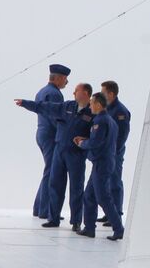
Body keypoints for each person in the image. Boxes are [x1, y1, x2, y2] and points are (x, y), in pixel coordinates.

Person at [16, 82, 95, 231]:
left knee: (76, 188)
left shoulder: (92, 112)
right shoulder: (67, 107)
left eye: (76, 91)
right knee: (55, 185)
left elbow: (96, 134)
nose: (73, 93)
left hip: (76, 154)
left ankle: (76, 221)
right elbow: (45, 107)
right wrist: (26, 104)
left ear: (85, 93)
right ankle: (53, 218)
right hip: (60, 151)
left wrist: (86, 146)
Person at [22, 64, 69, 219]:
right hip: (51, 135)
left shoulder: (43, 91)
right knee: (52, 172)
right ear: (60, 78)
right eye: (65, 79)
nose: (66, 82)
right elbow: (55, 117)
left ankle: (39, 208)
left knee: (49, 171)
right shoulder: (54, 94)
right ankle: (46, 210)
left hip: (42, 133)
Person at [75, 92, 123, 240]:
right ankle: (89, 228)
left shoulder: (100, 121)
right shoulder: (108, 120)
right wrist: (87, 139)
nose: (89, 105)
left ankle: (118, 228)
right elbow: (102, 139)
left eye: (91, 103)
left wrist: (82, 143)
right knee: (89, 196)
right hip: (102, 162)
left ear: (98, 104)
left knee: (103, 198)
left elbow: (96, 142)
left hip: (102, 164)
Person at [97, 80, 131, 227]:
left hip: (114, 153)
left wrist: (113, 152)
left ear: (111, 94)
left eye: (103, 92)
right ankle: (109, 213)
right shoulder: (106, 108)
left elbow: (123, 135)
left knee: (115, 182)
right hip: (107, 152)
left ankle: (116, 213)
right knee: (108, 182)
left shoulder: (120, 111)